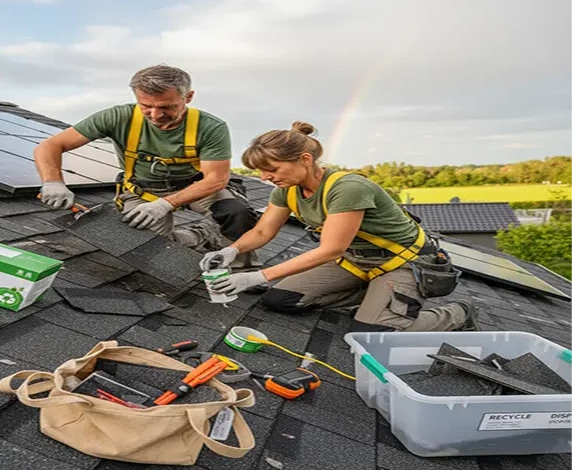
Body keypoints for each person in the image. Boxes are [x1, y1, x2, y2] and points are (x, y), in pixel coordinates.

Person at [199, 121, 477, 333]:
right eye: (260, 171)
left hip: (403, 262)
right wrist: (232, 251)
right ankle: (376, 296)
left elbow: (331, 250)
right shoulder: (287, 190)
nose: (264, 177)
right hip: (356, 262)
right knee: (280, 299)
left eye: (272, 169)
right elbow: (262, 231)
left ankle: (458, 314)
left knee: (371, 334)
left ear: (305, 159)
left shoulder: (347, 188)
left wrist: (256, 276)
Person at [33, 64, 259, 262]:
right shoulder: (117, 117)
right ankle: (202, 236)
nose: (156, 115)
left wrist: (164, 205)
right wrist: (53, 182)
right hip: (143, 190)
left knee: (236, 212)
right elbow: (50, 146)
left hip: (196, 187)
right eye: (146, 106)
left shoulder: (210, 127)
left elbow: (216, 179)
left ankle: (241, 268)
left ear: (188, 97)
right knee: (145, 248)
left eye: (167, 107)